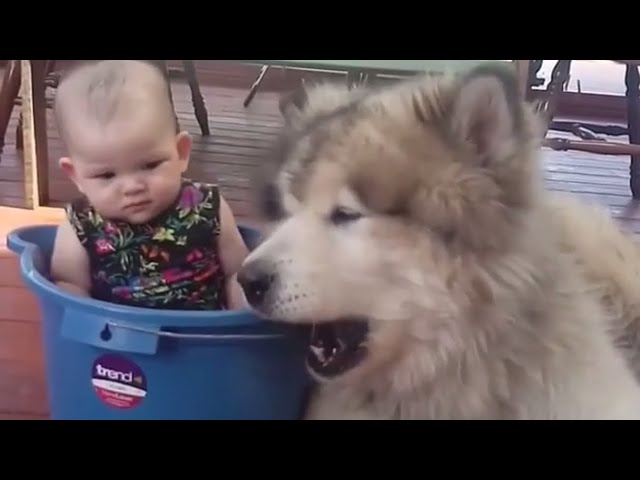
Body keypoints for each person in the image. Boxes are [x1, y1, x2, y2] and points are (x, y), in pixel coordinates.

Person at [49, 60, 249, 311]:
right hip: (118, 341)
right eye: (107, 175)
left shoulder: (207, 207)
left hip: (205, 339)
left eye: (150, 165)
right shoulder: (80, 224)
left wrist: (241, 318)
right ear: (76, 175)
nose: (132, 186)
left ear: (181, 152)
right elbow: (69, 285)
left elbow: (238, 273)